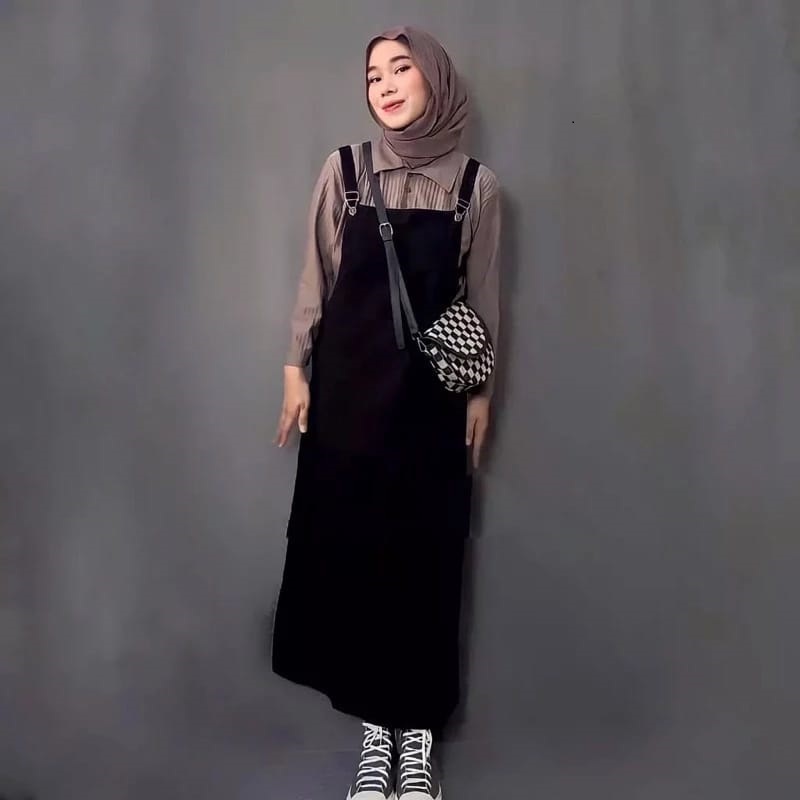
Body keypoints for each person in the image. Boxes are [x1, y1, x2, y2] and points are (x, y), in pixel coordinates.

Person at [271, 25, 501, 800]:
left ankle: (418, 738)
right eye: (374, 76)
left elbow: (484, 299)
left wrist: (480, 392)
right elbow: (316, 273)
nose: (387, 85)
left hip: (431, 406)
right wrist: (294, 368)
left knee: (426, 559)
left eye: (401, 68)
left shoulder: (477, 187)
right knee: (355, 555)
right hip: (348, 402)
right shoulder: (345, 171)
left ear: (434, 77)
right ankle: (377, 733)